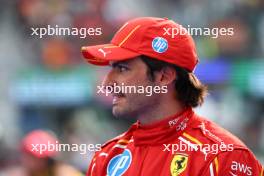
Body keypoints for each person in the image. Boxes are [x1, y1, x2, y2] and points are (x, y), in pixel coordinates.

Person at [81, 17, 263, 176]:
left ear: (164, 76)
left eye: (122, 69)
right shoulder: (107, 156)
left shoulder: (223, 156)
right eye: (111, 68)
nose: (107, 83)